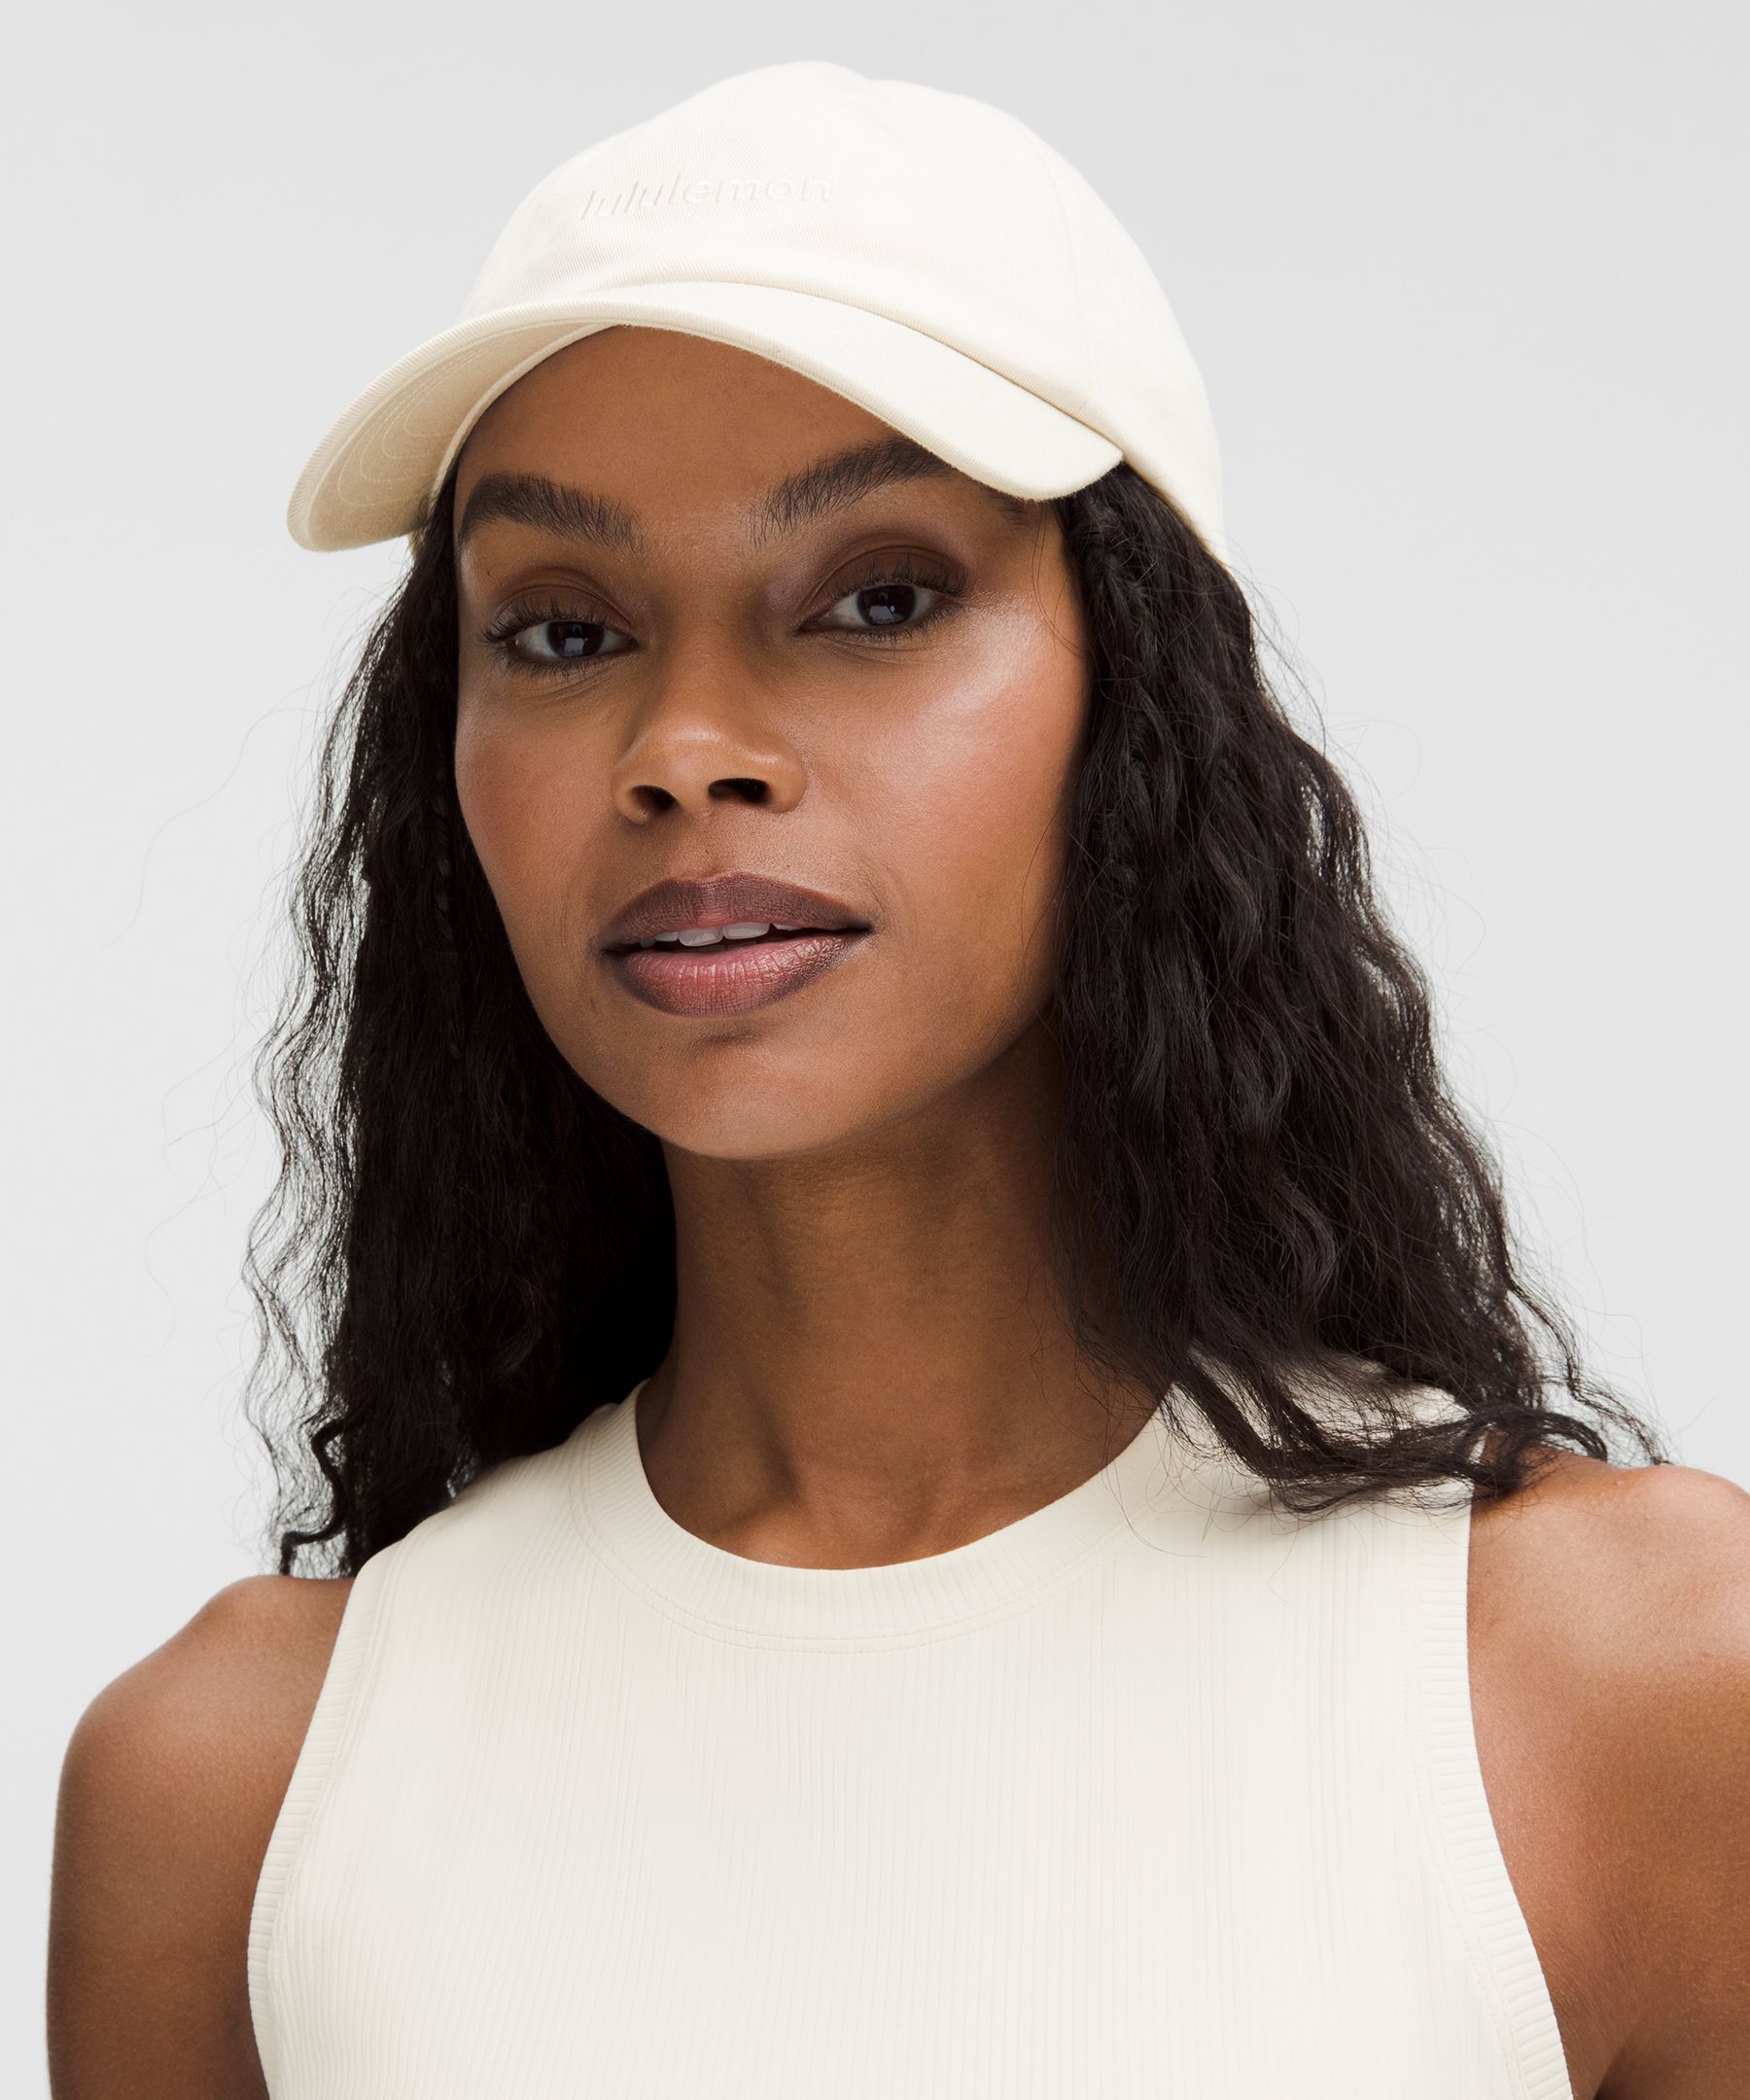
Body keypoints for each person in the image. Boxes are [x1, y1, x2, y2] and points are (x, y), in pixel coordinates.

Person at [45, 59, 1749, 2100]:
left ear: (1142, 703)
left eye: (878, 598)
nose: (686, 748)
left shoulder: (1629, 1685)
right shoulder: (237, 1798)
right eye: (564, 632)